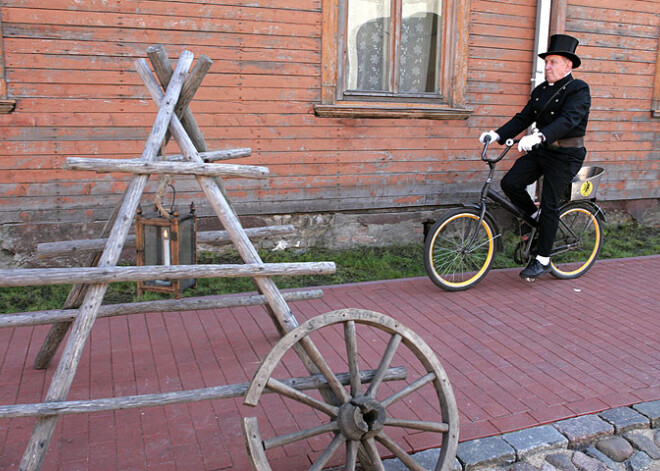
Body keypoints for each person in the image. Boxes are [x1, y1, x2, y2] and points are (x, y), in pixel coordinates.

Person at [479, 34, 591, 279]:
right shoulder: (541, 90)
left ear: (568, 65)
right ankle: (535, 218)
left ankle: (543, 259)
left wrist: (539, 137)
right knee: (510, 182)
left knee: (551, 204)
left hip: (566, 155)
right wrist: (496, 134)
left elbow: (568, 120)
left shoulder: (578, 89)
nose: (547, 66)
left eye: (553, 62)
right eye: (546, 61)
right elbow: (523, 118)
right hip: (543, 151)